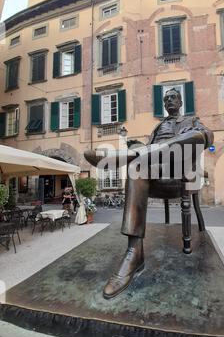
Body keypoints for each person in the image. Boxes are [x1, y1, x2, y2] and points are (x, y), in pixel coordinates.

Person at [85, 89, 214, 299]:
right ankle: (134, 252)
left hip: (181, 171)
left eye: (172, 97)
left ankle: (126, 156)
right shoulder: (158, 126)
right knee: (135, 169)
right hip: (157, 172)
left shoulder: (192, 120)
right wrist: (142, 148)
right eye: (165, 99)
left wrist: (190, 137)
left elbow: (208, 137)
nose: (169, 101)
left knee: (197, 135)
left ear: (181, 101)